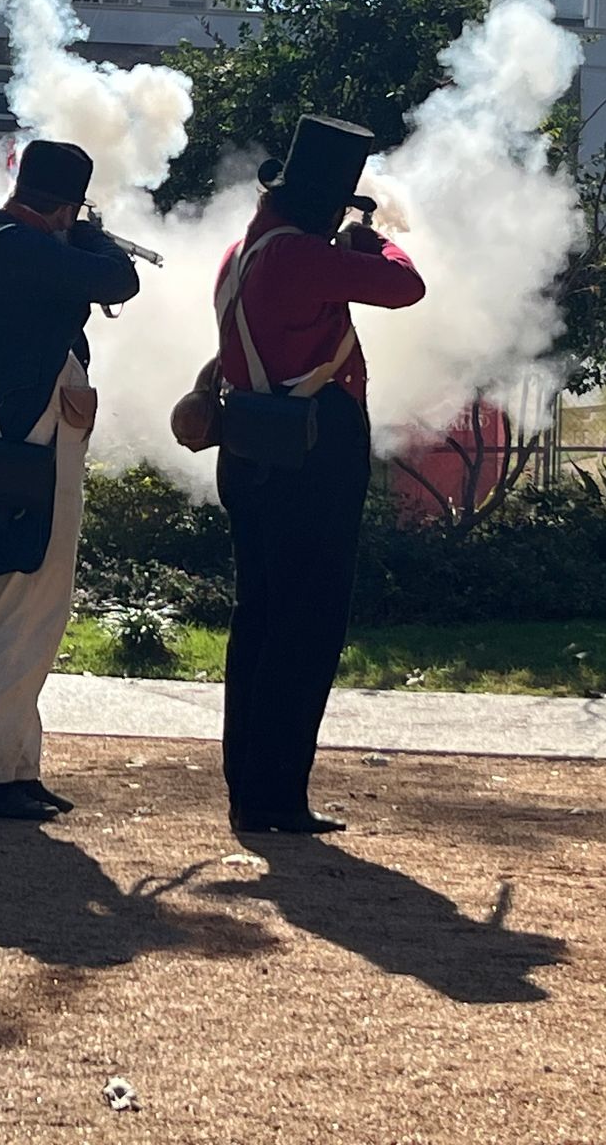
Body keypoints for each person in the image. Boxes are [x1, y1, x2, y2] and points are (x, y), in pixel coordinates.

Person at [214, 116, 425, 835]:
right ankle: (276, 797)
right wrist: (374, 243)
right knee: (306, 627)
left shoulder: (242, 252)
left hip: (253, 444)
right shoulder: (303, 256)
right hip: (311, 449)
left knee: (262, 618)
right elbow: (407, 286)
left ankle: (251, 785)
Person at [0, 140, 141, 822]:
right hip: (29, 452)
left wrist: (76, 229)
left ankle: (15, 765)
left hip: (24, 448)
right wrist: (92, 233)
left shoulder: (1, 243)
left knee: (27, 615)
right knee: (25, 616)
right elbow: (119, 280)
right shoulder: (16, 248)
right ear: (64, 205)